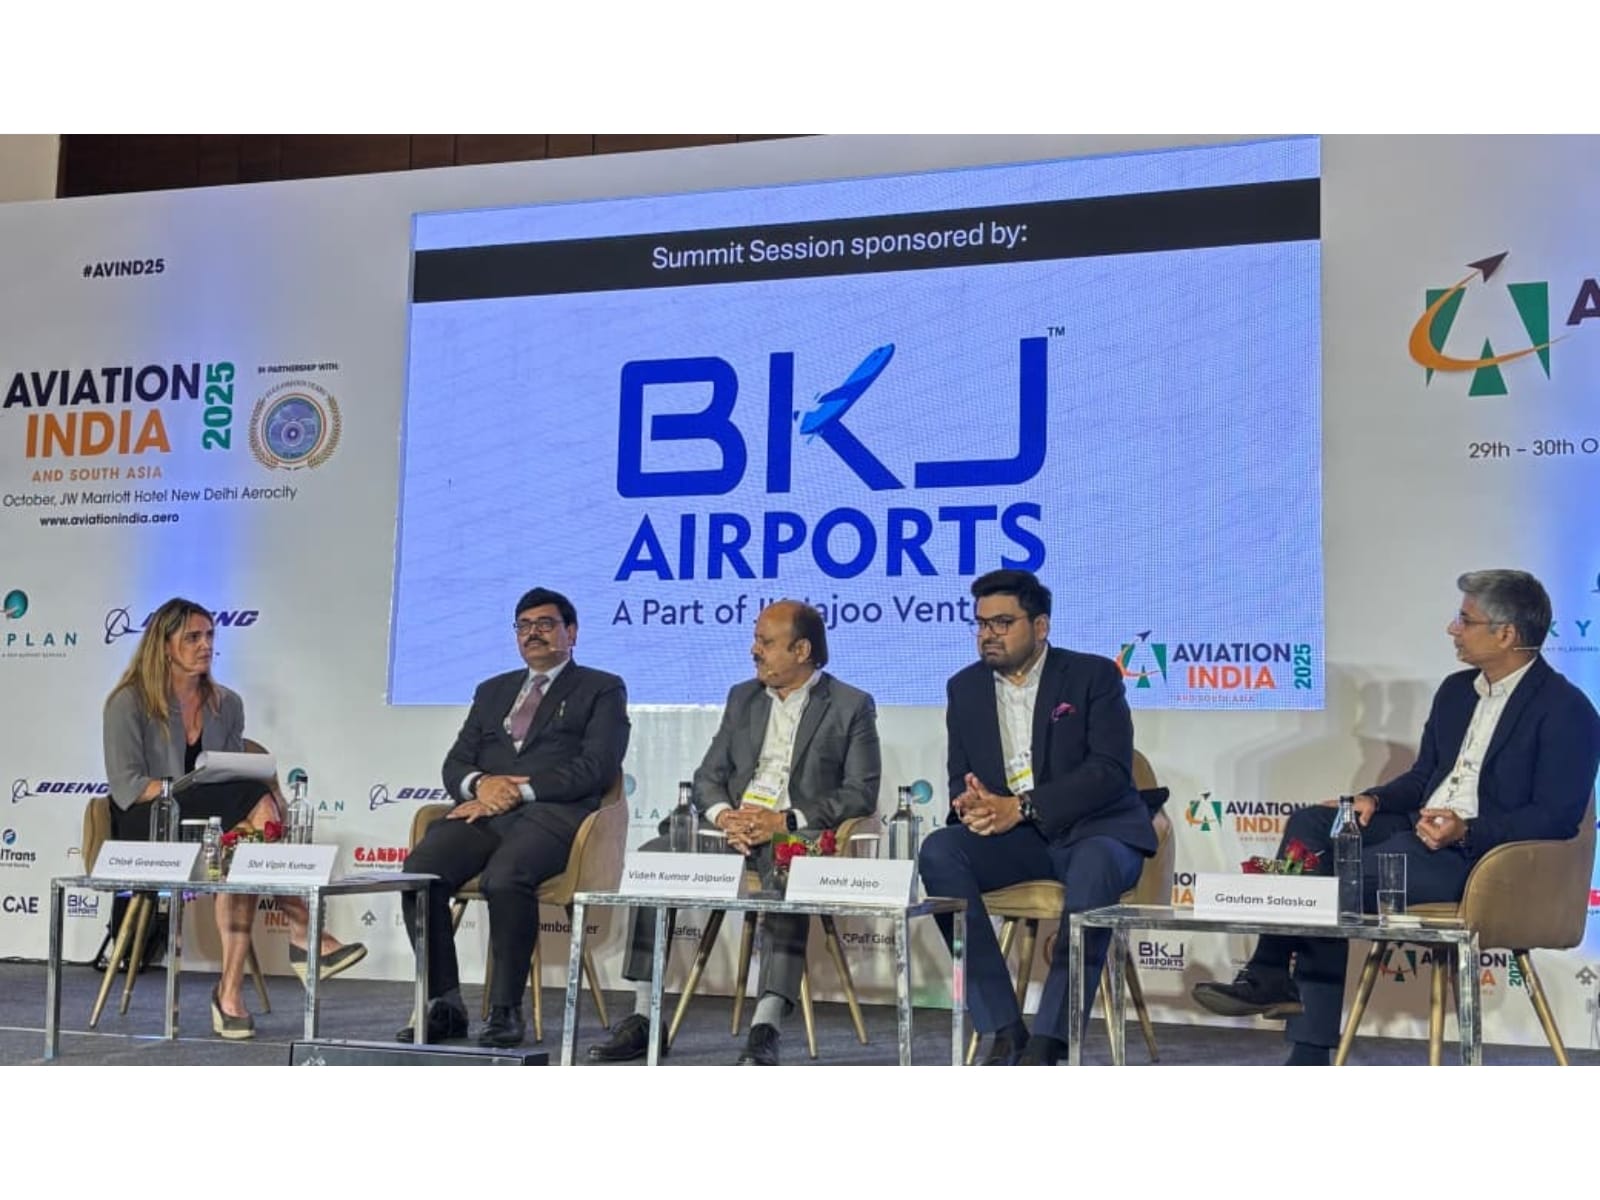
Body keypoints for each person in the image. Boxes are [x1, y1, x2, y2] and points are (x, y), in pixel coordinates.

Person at [1192, 569, 1600, 1064]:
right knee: (1312, 826)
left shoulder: (1567, 710)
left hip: (1485, 860)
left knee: (1337, 881)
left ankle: (1296, 1023)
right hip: (1421, 832)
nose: (1452, 629)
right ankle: (1275, 978)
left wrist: (1466, 830)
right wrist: (1374, 799)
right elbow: (1425, 776)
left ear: (1506, 634)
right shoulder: (1457, 691)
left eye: (1465, 620)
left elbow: (1556, 818)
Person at [586, 599, 881, 1065]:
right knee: (653, 858)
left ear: (802, 650)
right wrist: (726, 817)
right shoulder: (743, 697)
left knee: (789, 868)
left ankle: (765, 1025)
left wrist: (782, 821)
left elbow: (860, 792)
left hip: (790, 832)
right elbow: (708, 777)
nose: (754, 650)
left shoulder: (850, 705)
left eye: (765, 642)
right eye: (755, 640)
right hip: (733, 828)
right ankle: (644, 1016)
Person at [918, 569, 1157, 1065]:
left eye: (1003, 623)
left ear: (1041, 626)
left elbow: (1110, 771)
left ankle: (1050, 1039)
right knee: (940, 851)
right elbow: (960, 774)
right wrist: (972, 805)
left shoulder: (1092, 676)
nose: (988, 634)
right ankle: (1002, 1026)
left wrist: (1023, 806)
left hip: (1097, 831)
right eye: (981, 623)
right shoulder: (964, 687)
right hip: (1020, 841)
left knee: (1093, 867)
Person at [102, 597, 367, 1041]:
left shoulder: (227, 703)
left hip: (211, 824)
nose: (205, 645)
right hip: (147, 821)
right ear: (163, 645)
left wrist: (234, 793)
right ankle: (304, 931)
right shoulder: (127, 702)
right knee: (250, 801)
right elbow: (127, 786)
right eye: (192, 637)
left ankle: (230, 995)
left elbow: (227, 774)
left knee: (242, 841)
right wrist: (192, 786)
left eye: (209, 636)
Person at [399, 587, 629, 1049]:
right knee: (420, 875)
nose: (533, 633)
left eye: (545, 624)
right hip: (485, 813)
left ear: (572, 632)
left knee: (505, 878)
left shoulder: (601, 688)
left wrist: (518, 791)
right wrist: (481, 785)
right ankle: (445, 1004)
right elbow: (456, 763)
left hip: (556, 814)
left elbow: (598, 767)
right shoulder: (492, 691)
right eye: (524, 626)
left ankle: (505, 1010)